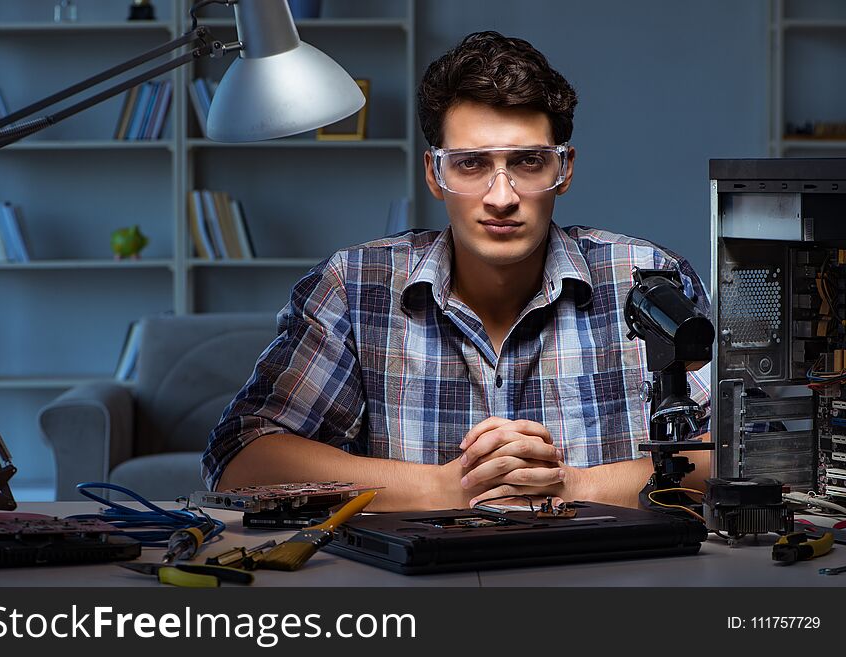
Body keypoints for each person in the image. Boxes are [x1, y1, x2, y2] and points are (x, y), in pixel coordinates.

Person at [201, 31, 711, 512]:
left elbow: (747, 450)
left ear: (565, 169)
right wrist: (446, 486)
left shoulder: (648, 278)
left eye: (529, 162)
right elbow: (240, 459)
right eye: (470, 164)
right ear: (434, 174)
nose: (502, 197)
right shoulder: (355, 285)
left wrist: (572, 485)